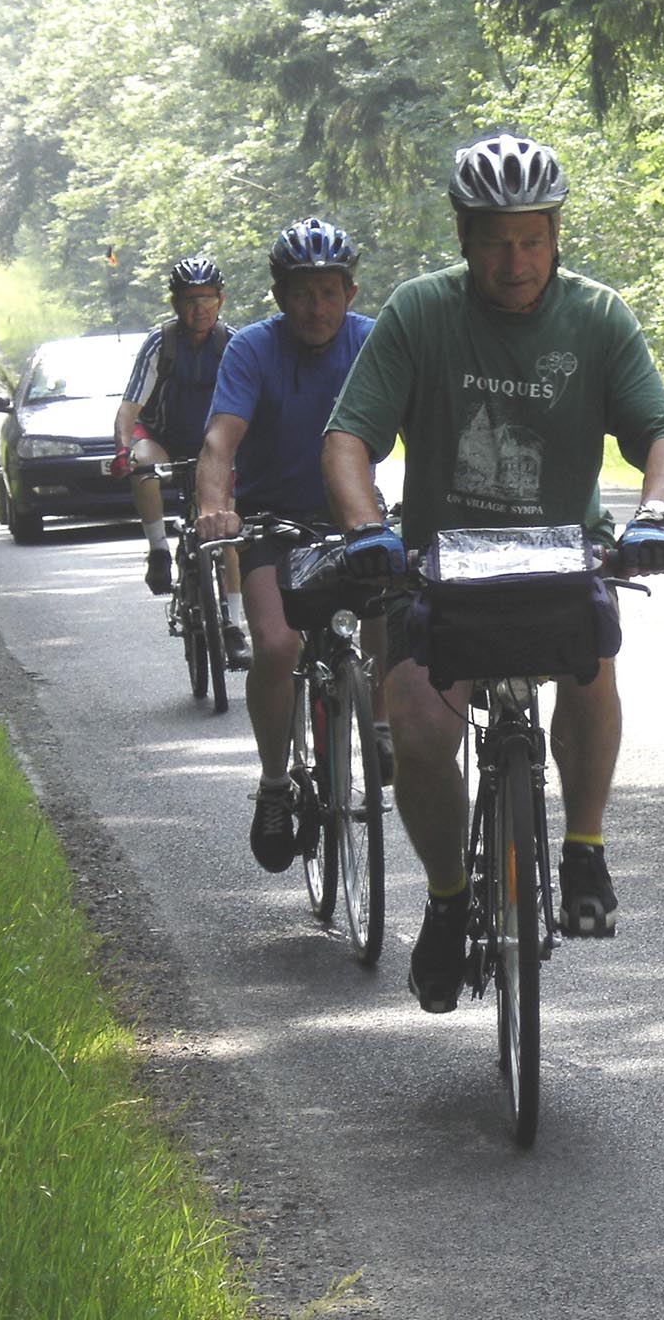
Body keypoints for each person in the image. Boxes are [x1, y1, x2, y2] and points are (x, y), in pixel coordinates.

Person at [321, 131, 664, 1014]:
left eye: (531, 238)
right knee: (413, 719)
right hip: (445, 564)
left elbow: (662, 439)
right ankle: (448, 901)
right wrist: (368, 528)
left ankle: (585, 848)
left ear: (556, 233)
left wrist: (657, 514)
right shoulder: (419, 314)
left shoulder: (598, 317)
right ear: (463, 236)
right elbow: (348, 440)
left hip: (564, 556)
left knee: (590, 663)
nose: (514, 259)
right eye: (494, 239)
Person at [195, 218, 389, 873]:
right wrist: (217, 509)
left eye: (329, 292)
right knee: (277, 646)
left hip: (352, 516)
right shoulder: (251, 350)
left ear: (351, 292)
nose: (317, 307)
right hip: (270, 523)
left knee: (395, 604)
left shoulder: (373, 343)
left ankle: (380, 723)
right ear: (280, 296)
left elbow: (424, 420)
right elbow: (221, 441)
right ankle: (275, 784)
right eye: (302, 293)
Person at [113, 256, 249, 667]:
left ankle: (235, 626)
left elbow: (255, 405)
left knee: (227, 527)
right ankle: (157, 551)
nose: (199, 309)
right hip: (163, 438)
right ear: (175, 304)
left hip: (215, 445)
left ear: (221, 300)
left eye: (207, 298)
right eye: (190, 300)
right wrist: (122, 448)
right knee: (143, 465)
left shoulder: (234, 343)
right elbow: (129, 408)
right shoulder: (161, 344)